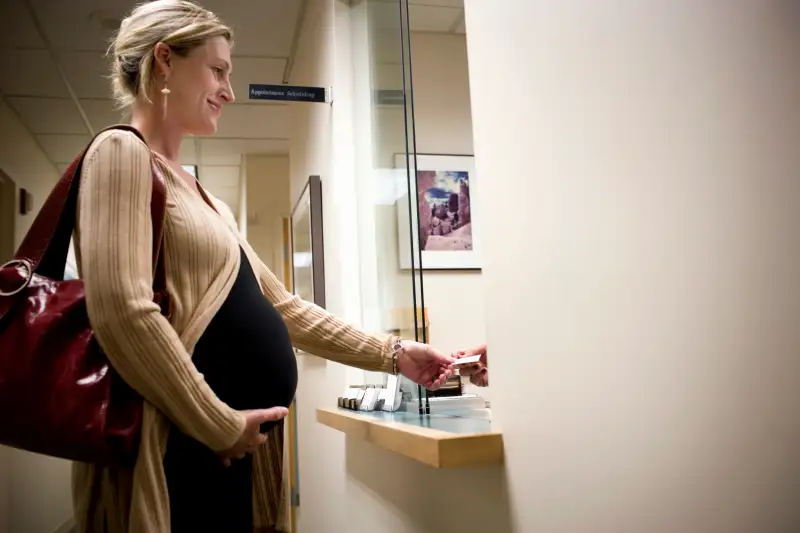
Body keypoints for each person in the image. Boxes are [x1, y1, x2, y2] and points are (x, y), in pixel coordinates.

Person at [72, 2, 454, 532]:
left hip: (227, 451)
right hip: (176, 449)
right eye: (218, 69)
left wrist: (394, 355)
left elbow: (286, 309)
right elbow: (123, 312)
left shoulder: (208, 201)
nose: (229, 90)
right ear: (164, 60)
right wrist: (217, 423)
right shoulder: (120, 154)